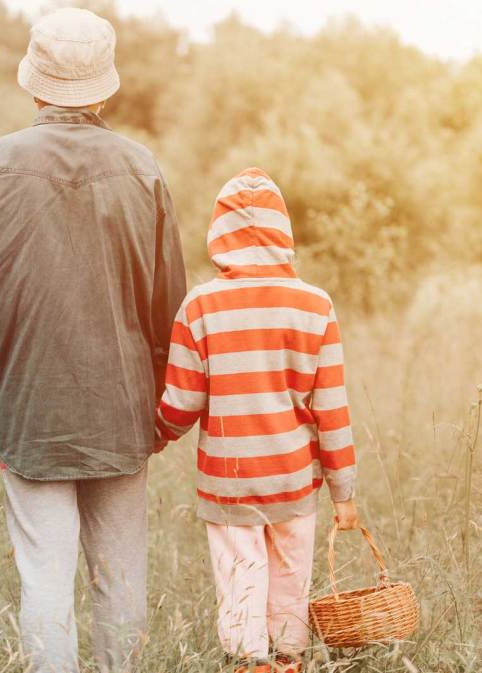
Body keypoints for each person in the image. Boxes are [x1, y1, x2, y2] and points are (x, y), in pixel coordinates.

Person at [0, 8, 187, 673]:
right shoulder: (143, 169)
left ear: (34, 83)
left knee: (44, 578)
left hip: (29, 412)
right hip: (125, 408)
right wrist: (165, 407)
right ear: (103, 87)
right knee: (120, 578)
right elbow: (170, 311)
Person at [154, 168, 360, 673]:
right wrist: (344, 492)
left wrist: (157, 432)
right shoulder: (315, 305)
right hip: (294, 481)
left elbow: (181, 404)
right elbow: (331, 408)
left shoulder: (200, 305)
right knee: (291, 583)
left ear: (220, 233)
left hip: (229, 482)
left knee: (240, 584)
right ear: (282, 233)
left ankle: (250, 664)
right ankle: (289, 660)